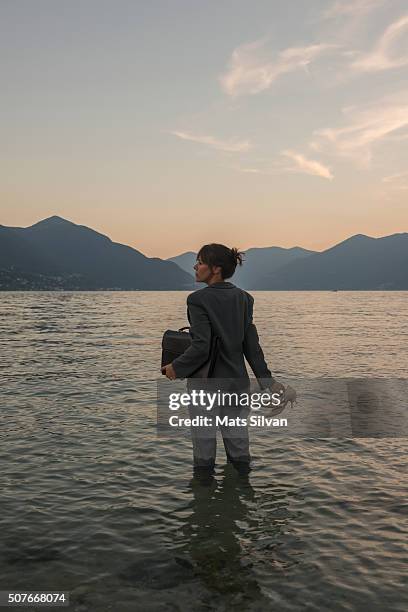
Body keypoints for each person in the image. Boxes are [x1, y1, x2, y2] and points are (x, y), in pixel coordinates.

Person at [161, 243, 284, 476]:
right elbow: (252, 347)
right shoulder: (245, 299)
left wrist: (175, 367)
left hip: (206, 386)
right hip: (237, 384)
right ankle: (241, 500)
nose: (195, 266)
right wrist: (268, 382)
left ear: (215, 269)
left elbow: (201, 346)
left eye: (200, 262)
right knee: (239, 449)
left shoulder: (197, 300)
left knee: (204, 451)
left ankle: (205, 505)